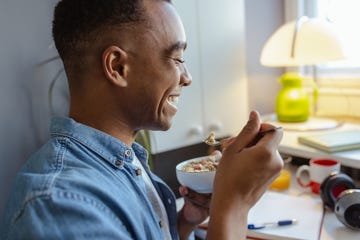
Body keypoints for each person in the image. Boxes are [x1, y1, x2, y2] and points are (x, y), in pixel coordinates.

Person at [0, 0, 283, 239]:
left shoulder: (124, 160)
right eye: (176, 58)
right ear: (118, 67)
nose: (187, 77)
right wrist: (233, 207)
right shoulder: (58, 205)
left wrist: (184, 223)